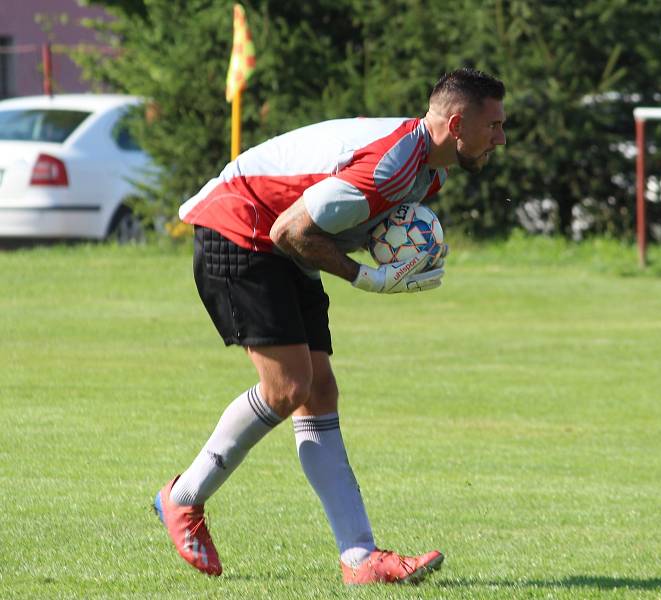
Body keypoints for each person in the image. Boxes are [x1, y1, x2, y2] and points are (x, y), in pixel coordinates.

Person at [153, 67, 506, 585]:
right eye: (494, 125)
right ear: (457, 124)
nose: (500, 138)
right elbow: (291, 229)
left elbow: (328, 225)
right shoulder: (394, 165)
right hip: (241, 228)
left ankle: (360, 560)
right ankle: (181, 498)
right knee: (289, 386)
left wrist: (406, 249)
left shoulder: (429, 173)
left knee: (319, 391)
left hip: (277, 242)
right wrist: (371, 277)